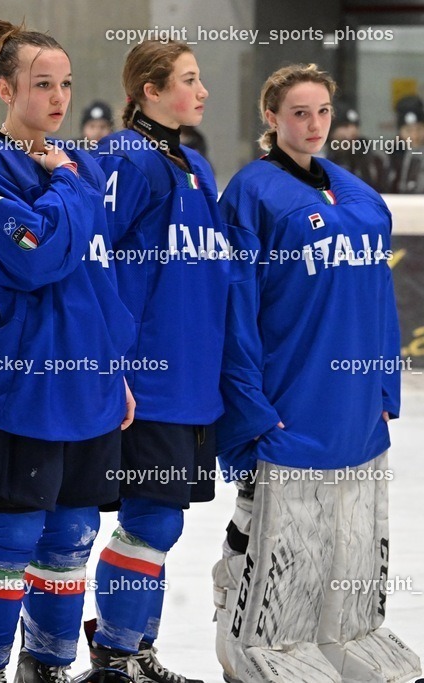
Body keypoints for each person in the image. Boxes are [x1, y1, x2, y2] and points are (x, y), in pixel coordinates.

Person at [213, 63, 422, 683]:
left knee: (353, 536)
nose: (313, 124)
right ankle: (259, 645)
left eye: (323, 111)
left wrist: (384, 386)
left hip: (355, 408)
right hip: (290, 404)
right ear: (271, 119)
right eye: (299, 113)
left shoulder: (360, 196)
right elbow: (235, 310)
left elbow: (379, 299)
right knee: (283, 541)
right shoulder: (251, 194)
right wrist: (249, 406)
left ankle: (352, 633)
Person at [0, 20, 135, 683]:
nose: (58, 98)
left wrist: (116, 366)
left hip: (89, 383)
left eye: (66, 85)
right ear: (5, 88)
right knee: (7, 540)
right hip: (18, 386)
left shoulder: (74, 165)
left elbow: (98, 272)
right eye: (41, 84)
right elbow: (37, 258)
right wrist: (68, 187)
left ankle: (49, 666)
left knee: (71, 540)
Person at [88, 39, 228, 683]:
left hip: (192, 379)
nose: (201, 93)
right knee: (151, 519)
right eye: (189, 80)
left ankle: (136, 651)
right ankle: (115, 655)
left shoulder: (195, 163)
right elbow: (102, 269)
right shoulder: (125, 159)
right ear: (149, 90)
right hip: (147, 380)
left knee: (161, 524)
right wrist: (113, 367)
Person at [324, 100, 386, 192]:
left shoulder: (372, 160)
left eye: (355, 126)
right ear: (331, 130)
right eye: (345, 126)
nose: (352, 131)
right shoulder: (319, 156)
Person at [386, 94, 424, 193]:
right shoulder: (391, 155)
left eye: (419, 129)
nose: (414, 136)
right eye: (408, 130)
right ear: (400, 132)